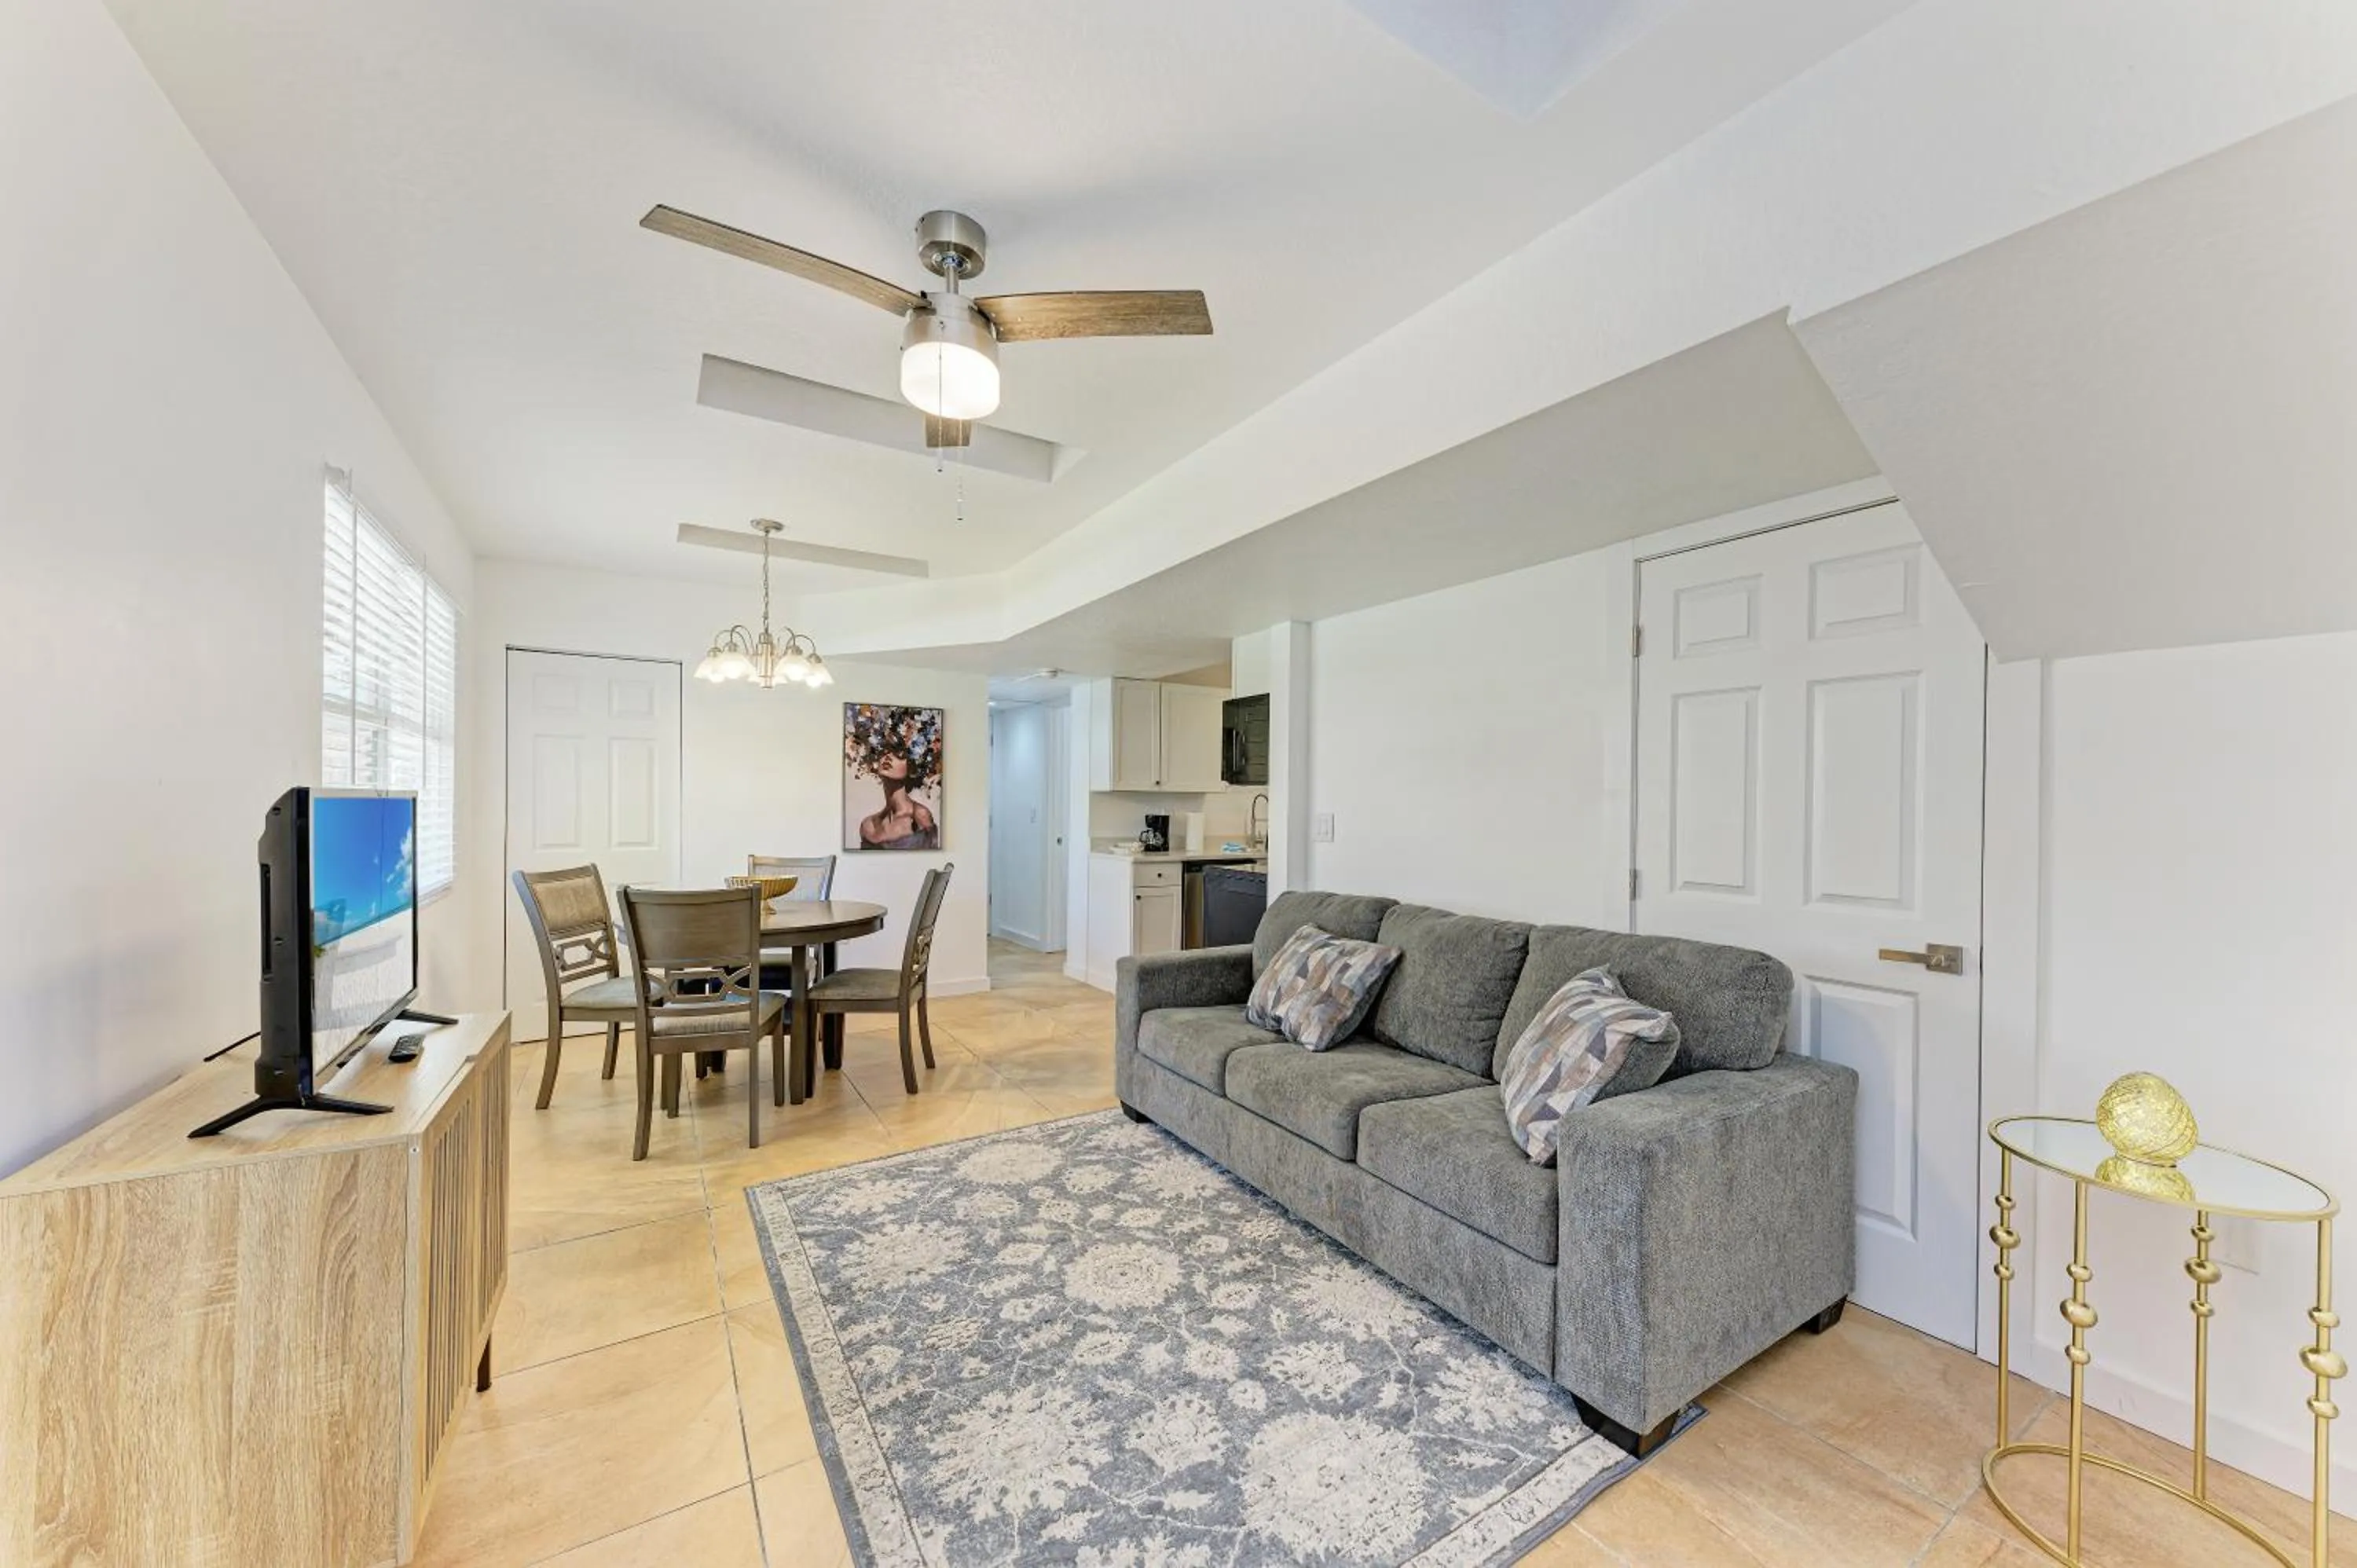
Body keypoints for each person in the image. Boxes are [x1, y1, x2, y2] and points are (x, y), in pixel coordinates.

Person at [858, 752, 939, 850]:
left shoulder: (920, 816)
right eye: (883, 752)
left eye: (899, 755)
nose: (888, 757)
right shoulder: (869, 825)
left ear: (912, 767)